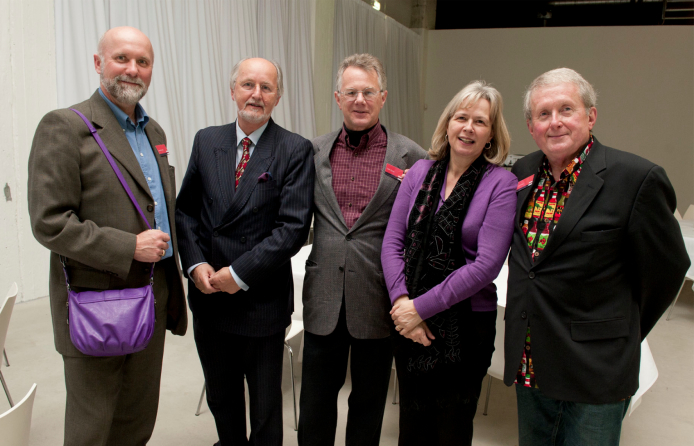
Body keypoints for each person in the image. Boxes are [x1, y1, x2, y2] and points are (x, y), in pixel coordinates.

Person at [504, 67, 690, 446]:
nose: (554, 122)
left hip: (595, 368)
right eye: (543, 114)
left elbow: (667, 269)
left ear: (591, 116)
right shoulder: (523, 172)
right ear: (530, 126)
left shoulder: (636, 178)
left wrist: (620, 333)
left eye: (566, 109)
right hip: (531, 357)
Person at [27, 26, 187, 445]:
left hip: (154, 294)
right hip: (96, 303)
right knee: (92, 429)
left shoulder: (156, 134)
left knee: (136, 424)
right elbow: (50, 221)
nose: (133, 70)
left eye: (143, 62)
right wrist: (128, 246)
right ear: (99, 63)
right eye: (122, 58)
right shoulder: (64, 126)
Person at [175, 57, 314, 446]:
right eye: (248, 85)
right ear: (233, 90)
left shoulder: (294, 149)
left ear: (278, 96)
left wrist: (238, 275)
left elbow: (293, 229)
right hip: (209, 297)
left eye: (266, 87)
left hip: (261, 303)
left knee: (266, 407)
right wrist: (196, 264)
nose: (256, 94)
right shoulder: (207, 140)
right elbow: (186, 210)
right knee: (222, 398)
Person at [298, 53, 427, 446]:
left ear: (383, 97)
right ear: (337, 98)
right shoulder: (313, 151)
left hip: (378, 298)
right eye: (351, 92)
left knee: (368, 403)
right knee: (315, 403)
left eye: (368, 92)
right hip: (323, 299)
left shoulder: (412, 157)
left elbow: (420, 234)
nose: (359, 100)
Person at [381, 80, 517, 445]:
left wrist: (419, 308)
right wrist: (401, 305)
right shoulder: (420, 173)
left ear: (491, 134)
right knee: (411, 423)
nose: (468, 128)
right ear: (447, 124)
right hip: (408, 322)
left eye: (480, 121)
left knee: (451, 429)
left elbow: (486, 265)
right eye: (461, 117)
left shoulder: (501, 183)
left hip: (466, 327)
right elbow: (393, 242)